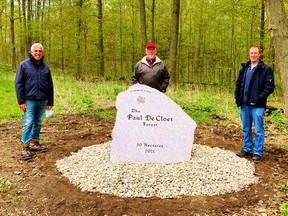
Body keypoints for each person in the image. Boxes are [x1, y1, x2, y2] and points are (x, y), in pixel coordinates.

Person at [235, 45, 275, 163]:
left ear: (259, 54)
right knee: (246, 128)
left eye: (255, 53)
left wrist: (259, 98)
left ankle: (257, 152)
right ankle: (247, 149)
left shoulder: (265, 69)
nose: (253, 55)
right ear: (249, 54)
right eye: (251, 53)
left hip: (257, 106)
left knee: (259, 130)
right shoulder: (245, 68)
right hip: (244, 104)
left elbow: (270, 87)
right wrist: (238, 98)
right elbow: (239, 84)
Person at [15, 43, 54, 160]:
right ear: (31, 52)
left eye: (40, 51)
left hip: (42, 100)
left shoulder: (46, 67)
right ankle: (25, 146)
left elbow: (50, 86)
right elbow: (18, 84)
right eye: (35, 51)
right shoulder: (24, 65)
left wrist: (50, 102)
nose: (38, 53)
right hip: (28, 100)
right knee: (28, 122)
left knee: (37, 122)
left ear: (42, 53)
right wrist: (21, 101)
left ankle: (34, 143)